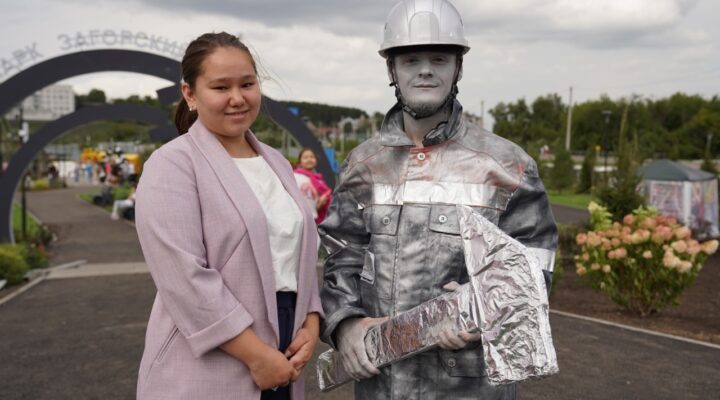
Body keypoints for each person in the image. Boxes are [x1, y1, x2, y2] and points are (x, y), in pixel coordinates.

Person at [319, 1, 558, 399]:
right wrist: (345, 325)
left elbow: (533, 269)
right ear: (391, 70)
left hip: (467, 385)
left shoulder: (508, 166)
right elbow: (341, 257)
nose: (425, 69)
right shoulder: (363, 165)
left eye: (439, 58)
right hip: (383, 383)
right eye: (410, 59)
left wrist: (476, 309)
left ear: (458, 68)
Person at [134, 32, 323, 400]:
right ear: (190, 94)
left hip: (285, 349)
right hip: (214, 357)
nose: (237, 98)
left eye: (247, 84)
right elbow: (183, 277)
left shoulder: (277, 163)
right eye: (221, 87)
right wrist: (255, 355)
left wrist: (311, 321)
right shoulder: (172, 165)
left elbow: (298, 251)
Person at [293, 148, 332, 224]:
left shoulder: (319, 179)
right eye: (305, 157)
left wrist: (323, 200)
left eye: (312, 157)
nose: (309, 159)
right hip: (301, 218)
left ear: (316, 160)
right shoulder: (295, 176)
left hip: (317, 218)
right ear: (300, 162)